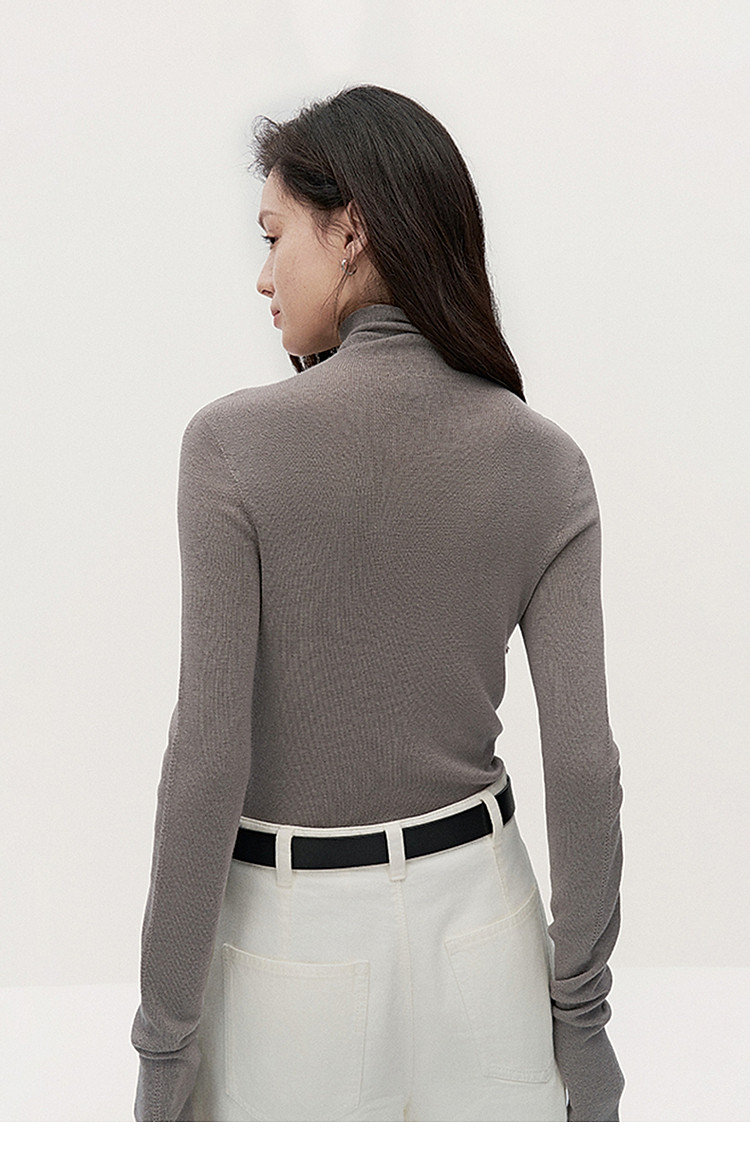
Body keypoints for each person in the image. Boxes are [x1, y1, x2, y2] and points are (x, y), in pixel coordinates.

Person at [130, 83, 625, 1122]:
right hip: (488, 939)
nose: (263, 276)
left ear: (349, 229)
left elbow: (206, 763)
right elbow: (585, 765)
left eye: (275, 236)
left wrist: (164, 1045)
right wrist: (580, 1018)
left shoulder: (230, 447)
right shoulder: (546, 461)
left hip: (291, 957)